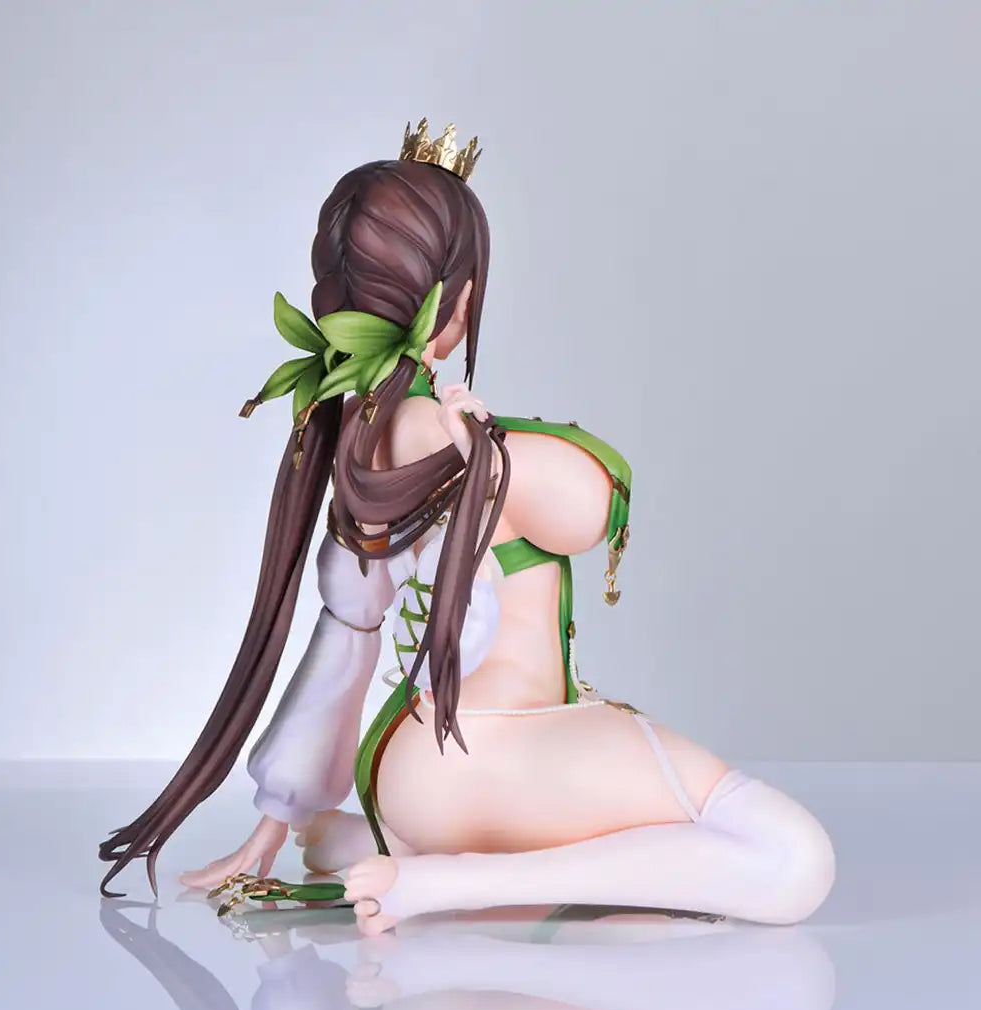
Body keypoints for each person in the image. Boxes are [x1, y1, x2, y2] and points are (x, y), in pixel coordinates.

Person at [100, 121, 836, 936]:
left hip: (410, 773)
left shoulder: (358, 443)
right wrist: (493, 447)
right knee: (794, 858)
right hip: (509, 755)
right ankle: (452, 883)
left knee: (437, 823)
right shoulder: (465, 442)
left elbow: (345, 636)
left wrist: (276, 819)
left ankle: (390, 848)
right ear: (459, 302)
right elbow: (594, 507)